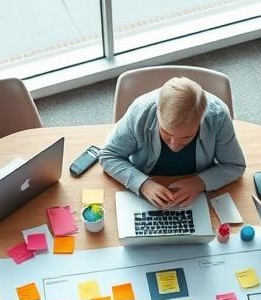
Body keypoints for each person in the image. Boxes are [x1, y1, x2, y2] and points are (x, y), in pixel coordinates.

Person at [99, 76, 246, 208]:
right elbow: (108, 156)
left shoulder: (218, 118)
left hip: (196, 196)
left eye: (186, 137)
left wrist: (200, 182)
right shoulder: (139, 113)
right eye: (167, 133)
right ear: (157, 112)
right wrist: (142, 183)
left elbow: (235, 166)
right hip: (146, 188)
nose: (174, 146)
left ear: (201, 120)